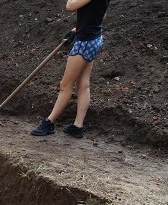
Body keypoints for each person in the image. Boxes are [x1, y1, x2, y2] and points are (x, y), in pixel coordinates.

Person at [31, 0, 111, 139]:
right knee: (83, 84)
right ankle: (77, 126)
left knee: (65, 85)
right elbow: (101, 15)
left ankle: (49, 123)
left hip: (85, 42)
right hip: (95, 37)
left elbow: (70, 5)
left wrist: (83, 29)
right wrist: (79, 28)